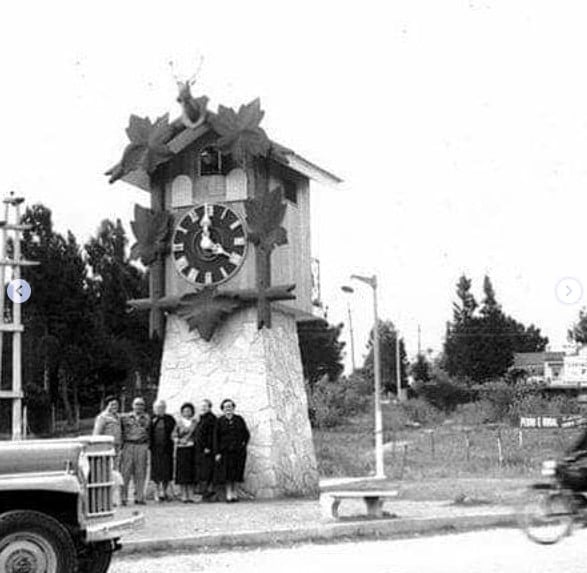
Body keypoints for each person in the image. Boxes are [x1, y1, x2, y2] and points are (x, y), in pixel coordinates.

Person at [214, 399, 250, 503]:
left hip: (238, 451)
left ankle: (235, 493)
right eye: (225, 407)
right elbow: (216, 438)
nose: (228, 408)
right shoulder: (219, 421)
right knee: (227, 474)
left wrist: (243, 444)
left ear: (233, 408)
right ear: (223, 409)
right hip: (225, 451)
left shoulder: (239, 419)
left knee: (236, 473)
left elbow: (246, 433)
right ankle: (229, 493)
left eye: (230, 406)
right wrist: (217, 453)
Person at [120, 397, 151, 506]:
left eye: (141, 405)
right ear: (133, 405)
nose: (139, 407)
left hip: (141, 445)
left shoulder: (147, 418)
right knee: (126, 472)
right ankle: (123, 497)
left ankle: (139, 497)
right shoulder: (125, 417)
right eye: (137, 404)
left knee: (140, 472)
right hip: (129, 445)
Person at [149, 400, 176, 502]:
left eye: (162, 407)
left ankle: (164, 491)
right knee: (156, 471)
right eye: (158, 408)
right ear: (154, 409)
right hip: (155, 449)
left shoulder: (170, 419)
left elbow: (174, 431)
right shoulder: (151, 419)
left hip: (167, 449)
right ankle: (156, 491)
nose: (160, 409)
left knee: (166, 471)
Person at [173, 402, 197, 503]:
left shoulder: (195, 423)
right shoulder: (178, 423)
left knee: (191, 472)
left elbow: (197, 434)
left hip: (191, 448)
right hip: (181, 449)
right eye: (185, 411)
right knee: (182, 472)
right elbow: (174, 434)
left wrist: (193, 441)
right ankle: (183, 494)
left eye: (189, 411)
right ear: (182, 412)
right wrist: (178, 440)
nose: (187, 412)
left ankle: (191, 495)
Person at [194, 399, 217, 500]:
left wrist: (208, 447)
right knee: (202, 472)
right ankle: (205, 493)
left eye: (205, 406)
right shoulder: (202, 418)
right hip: (200, 450)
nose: (203, 407)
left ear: (209, 407)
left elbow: (212, 435)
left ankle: (208, 493)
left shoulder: (211, 418)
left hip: (207, 450)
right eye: (202, 406)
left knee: (207, 472)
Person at [93, 396, 122, 470]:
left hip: (117, 446)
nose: (114, 407)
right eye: (112, 404)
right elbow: (96, 434)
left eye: (116, 405)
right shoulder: (102, 417)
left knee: (116, 466)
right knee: (106, 467)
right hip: (106, 446)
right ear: (107, 405)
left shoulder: (118, 416)